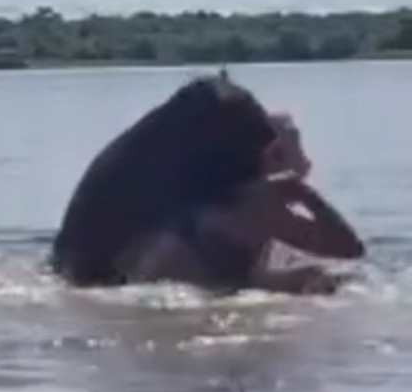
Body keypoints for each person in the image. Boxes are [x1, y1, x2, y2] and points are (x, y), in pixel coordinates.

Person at [126, 112, 365, 295]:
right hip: (189, 276)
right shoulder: (265, 203)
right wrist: (306, 195)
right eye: (297, 147)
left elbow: (347, 251)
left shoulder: (242, 194)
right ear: (274, 155)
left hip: (196, 278)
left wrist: (303, 194)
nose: (307, 161)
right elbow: (350, 251)